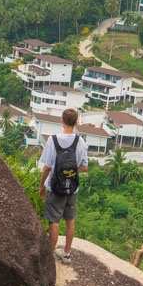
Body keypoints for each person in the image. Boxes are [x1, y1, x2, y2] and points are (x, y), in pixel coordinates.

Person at [38, 108, 88, 263]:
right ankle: (66, 253)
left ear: (62, 121)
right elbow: (84, 166)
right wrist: (71, 167)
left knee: (54, 221)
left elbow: (47, 167)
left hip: (55, 187)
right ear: (76, 122)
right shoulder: (80, 141)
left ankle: (50, 256)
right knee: (69, 219)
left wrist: (41, 185)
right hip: (72, 187)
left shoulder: (52, 140)